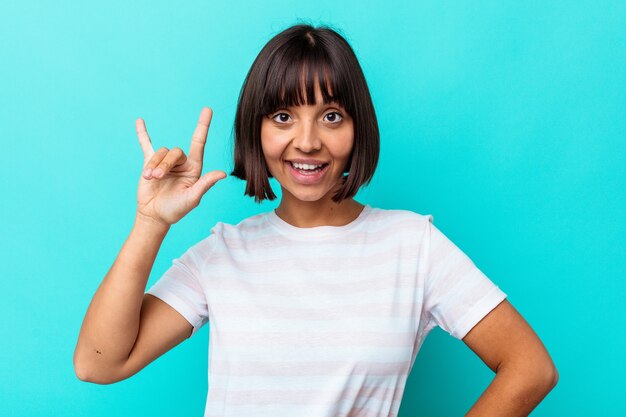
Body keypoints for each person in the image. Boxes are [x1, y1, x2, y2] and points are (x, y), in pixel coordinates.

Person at [74, 24, 558, 416]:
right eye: (283, 116)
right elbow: (98, 363)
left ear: (357, 127)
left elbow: (530, 367)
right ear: (256, 129)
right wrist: (150, 221)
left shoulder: (413, 245)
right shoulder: (222, 254)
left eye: (331, 116)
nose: (307, 142)